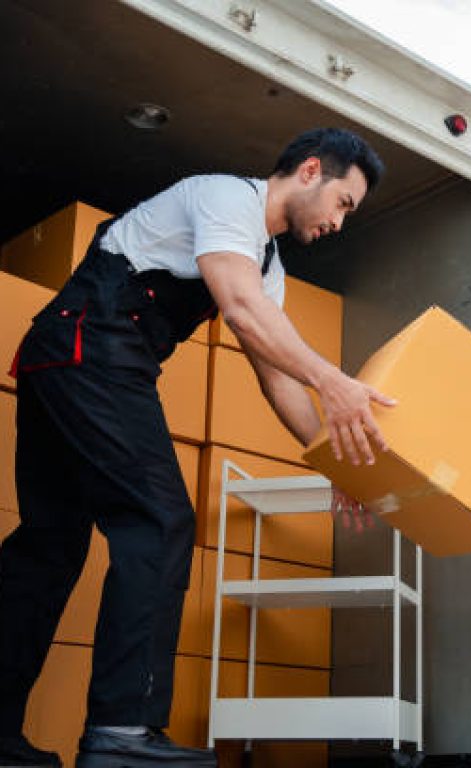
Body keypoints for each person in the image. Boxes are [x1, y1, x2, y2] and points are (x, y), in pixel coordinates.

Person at [0, 127, 394, 768]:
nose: (339, 222)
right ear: (311, 171)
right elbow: (237, 308)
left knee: (49, 548)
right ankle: (123, 734)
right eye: (343, 203)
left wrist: (333, 462)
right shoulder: (223, 198)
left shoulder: (268, 268)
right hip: (90, 353)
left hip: (69, 362)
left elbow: (276, 380)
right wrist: (337, 382)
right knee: (159, 521)